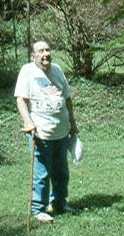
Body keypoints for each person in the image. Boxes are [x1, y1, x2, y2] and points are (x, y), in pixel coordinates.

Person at [14, 40, 78, 222]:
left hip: (61, 131)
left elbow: (67, 99)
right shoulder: (27, 71)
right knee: (41, 173)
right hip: (41, 133)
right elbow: (21, 100)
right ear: (33, 56)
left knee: (61, 171)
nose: (45, 54)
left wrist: (72, 123)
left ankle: (59, 202)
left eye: (48, 50)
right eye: (40, 51)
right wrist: (28, 121)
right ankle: (37, 208)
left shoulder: (57, 69)